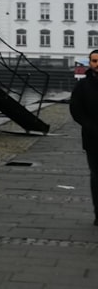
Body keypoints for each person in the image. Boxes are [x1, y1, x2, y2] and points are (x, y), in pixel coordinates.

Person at [70, 49, 98, 225]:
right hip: (92, 139)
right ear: (90, 63)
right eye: (94, 61)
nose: (97, 64)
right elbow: (76, 109)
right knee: (97, 176)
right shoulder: (82, 86)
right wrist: (89, 126)